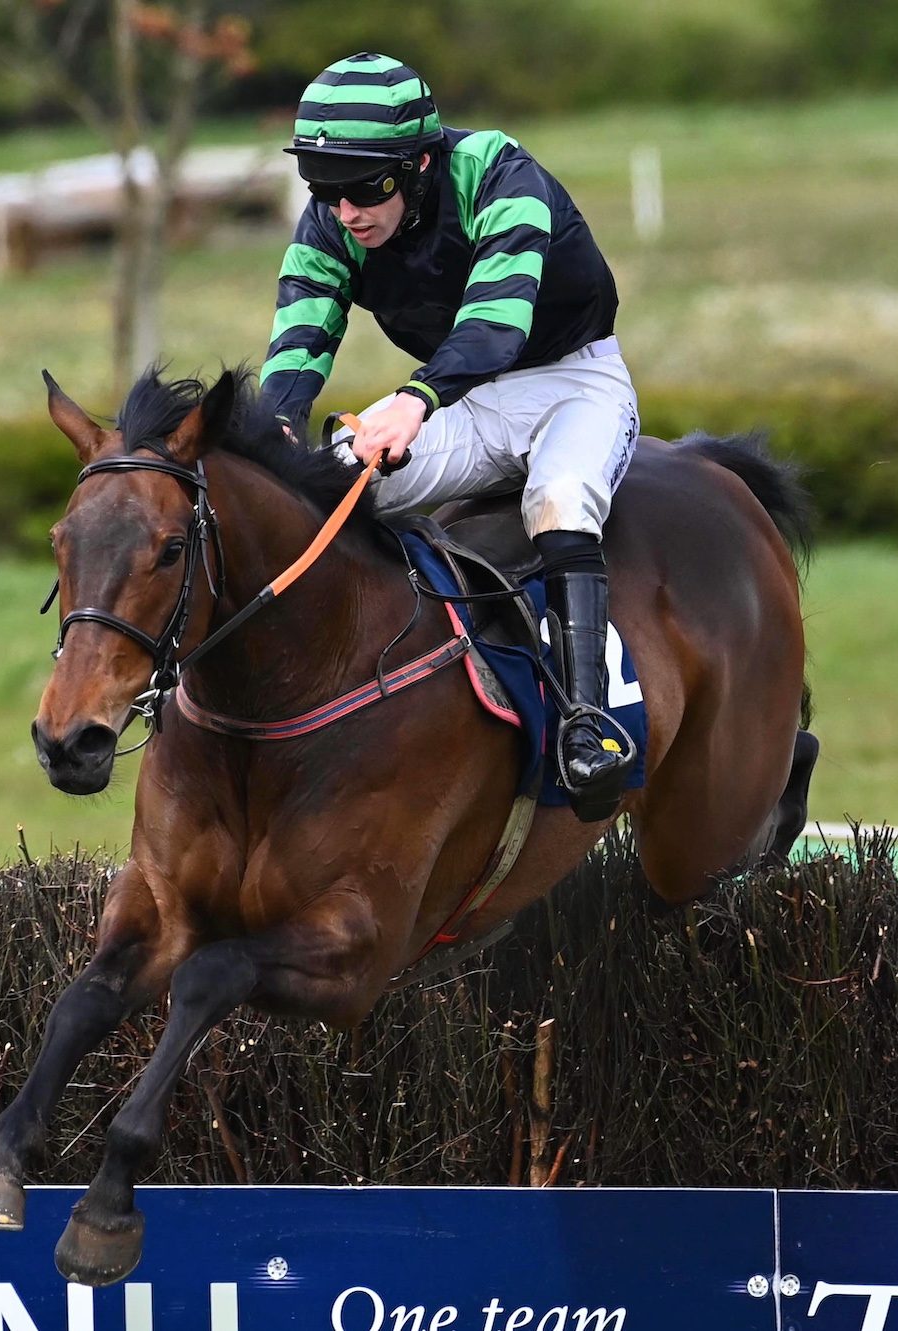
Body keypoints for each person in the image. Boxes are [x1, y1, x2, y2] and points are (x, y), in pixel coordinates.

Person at [258, 52, 640, 813]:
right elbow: (302, 331)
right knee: (324, 488)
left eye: (367, 188)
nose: (346, 213)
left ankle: (586, 725)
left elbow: (497, 321)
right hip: (462, 399)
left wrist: (415, 398)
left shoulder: (498, 172)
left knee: (560, 500)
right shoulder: (335, 219)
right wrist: (273, 434)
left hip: (573, 381)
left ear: (421, 162)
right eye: (324, 190)